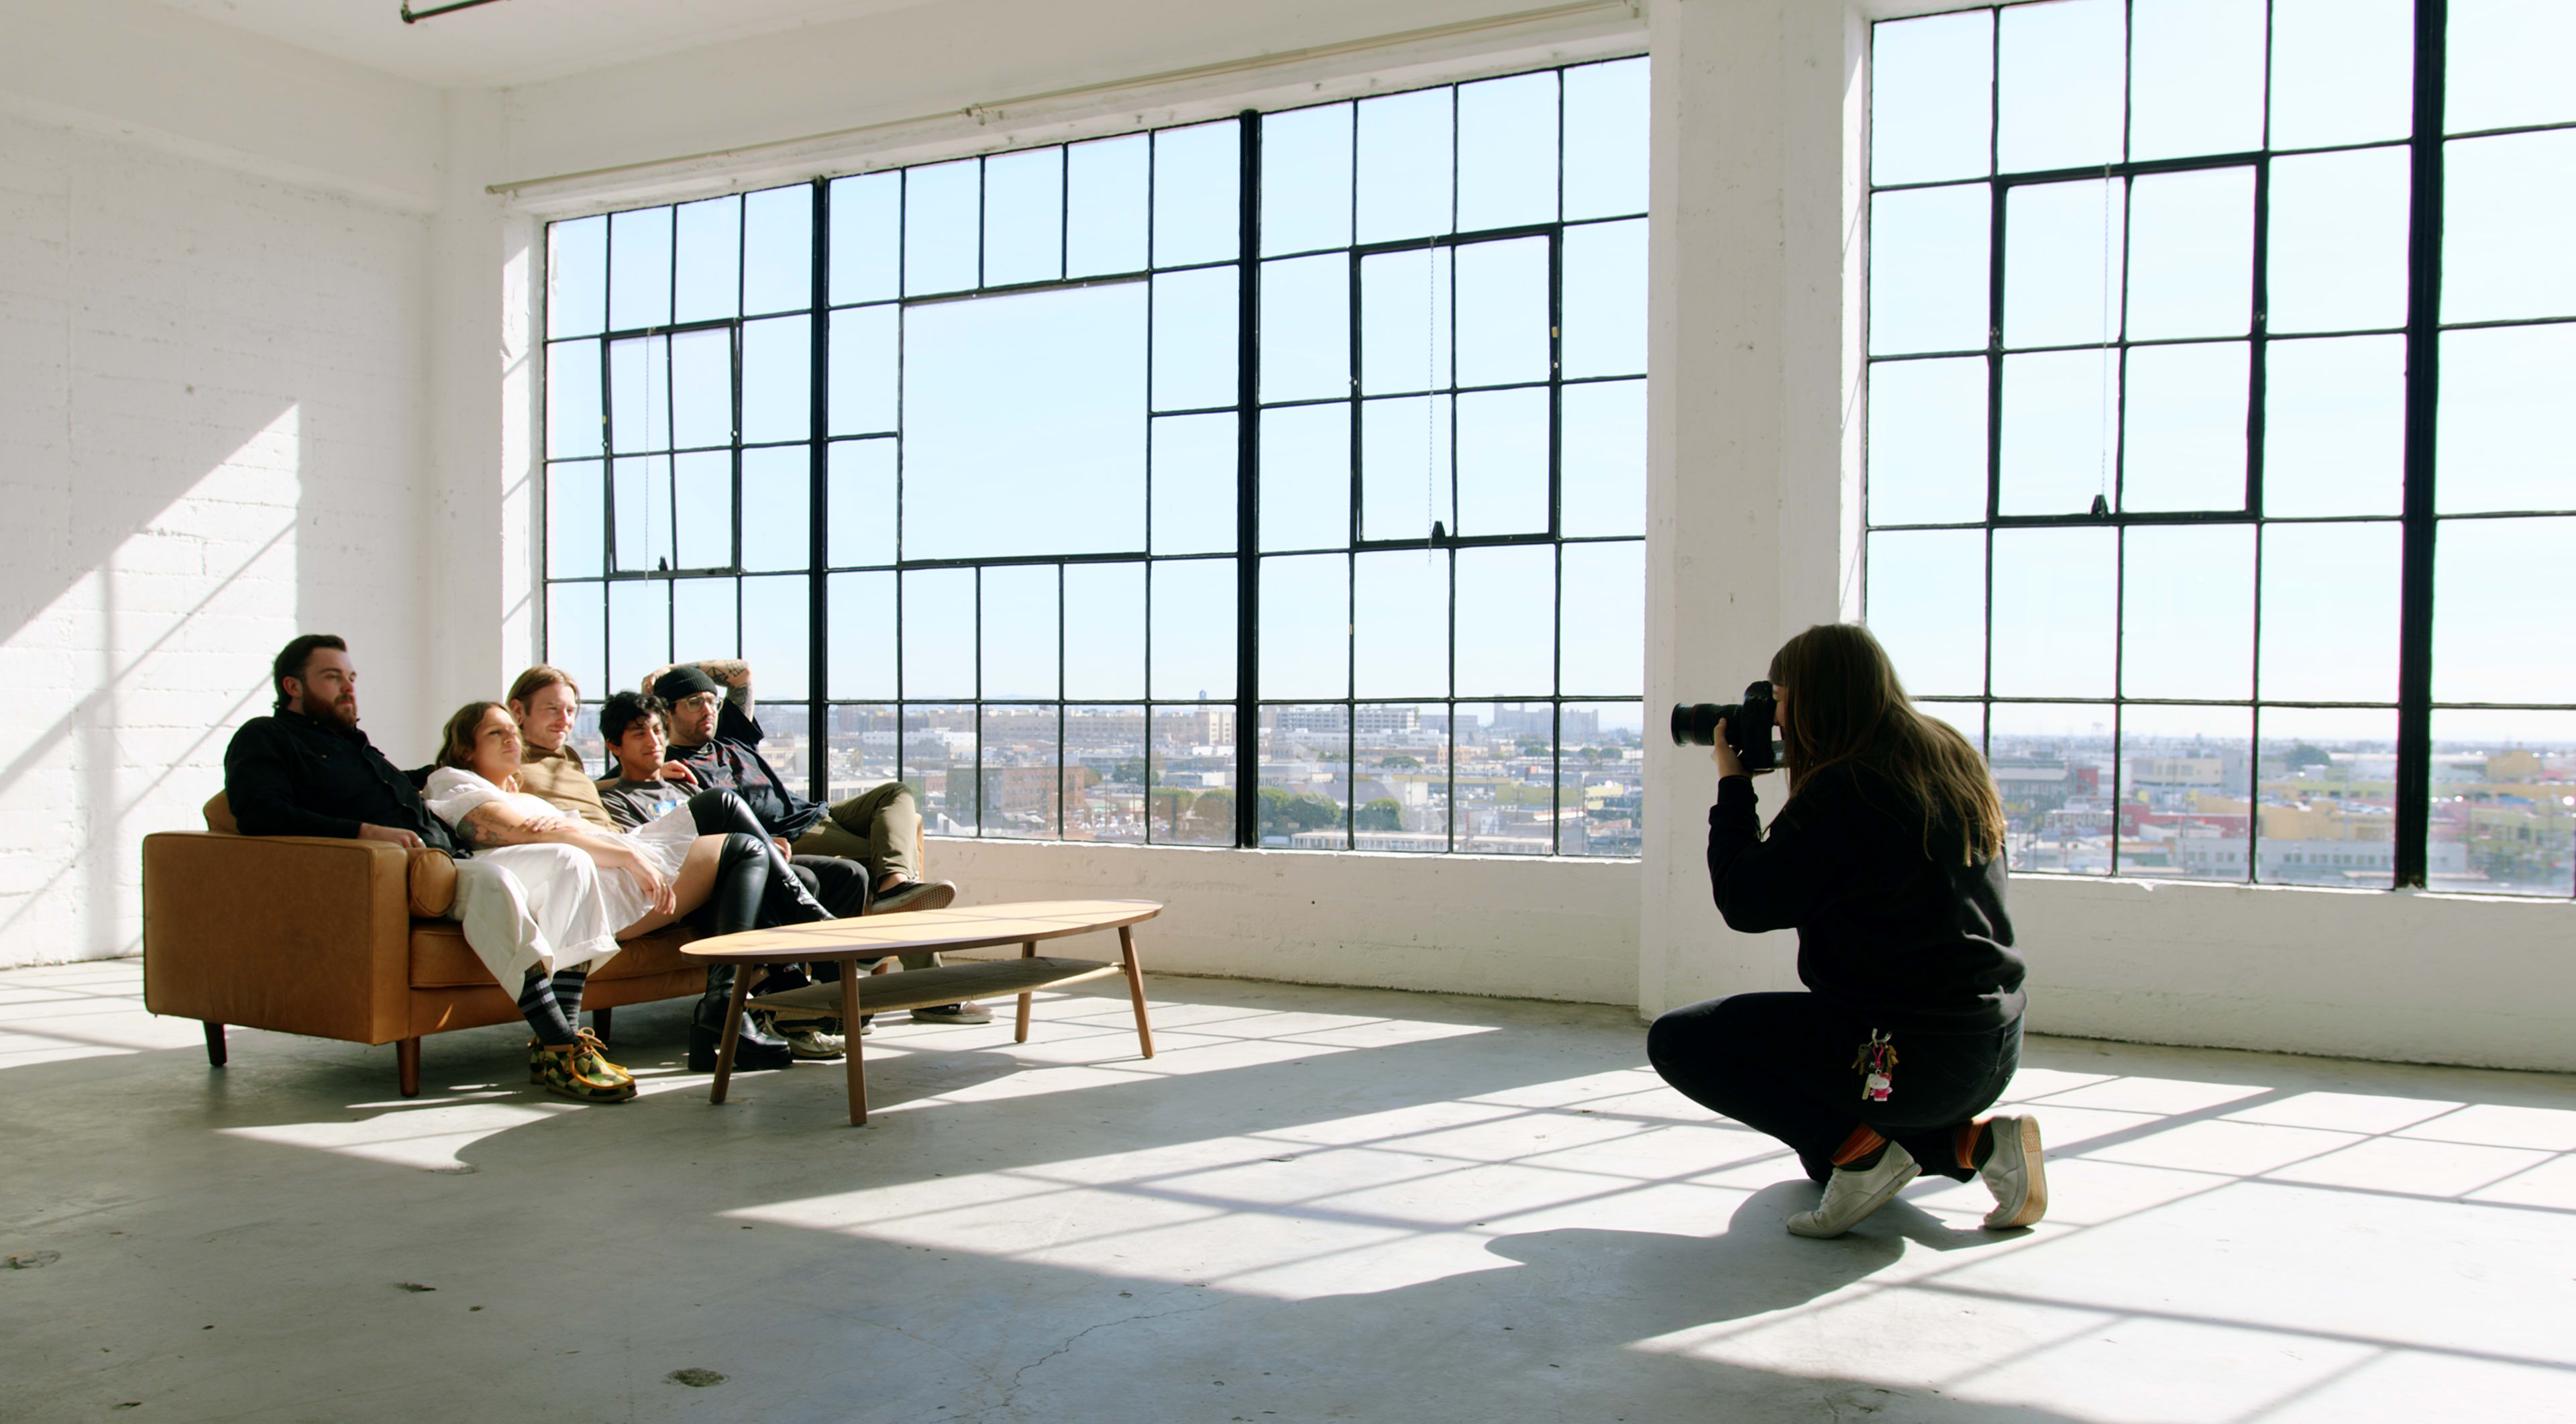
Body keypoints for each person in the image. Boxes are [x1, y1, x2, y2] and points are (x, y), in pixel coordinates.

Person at [1645, 624, 2046, 1239]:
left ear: (1814, 698)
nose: (1772, 714)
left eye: (1778, 697)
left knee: (1682, 1041)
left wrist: (1733, 783)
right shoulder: (1946, 753)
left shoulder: (1848, 785)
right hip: (1987, 1043)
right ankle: (1976, 1145)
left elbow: (1746, 904)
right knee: (1821, 1154)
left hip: (1905, 1052)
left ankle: (1877, 1158)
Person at [225, 636, 631, 1102]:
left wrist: (491, 785)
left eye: (351, 678)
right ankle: (562, 1046)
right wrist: (363, 832)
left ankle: (556, 1041)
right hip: (400, 872)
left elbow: (420, 780)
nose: (348, 688)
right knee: (494, 881)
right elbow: (258, 813)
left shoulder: (354, 747)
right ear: (292, 685)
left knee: (571, 860)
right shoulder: (265, 737)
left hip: (451, 857)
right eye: (332, 677)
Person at [423, 701, 835, 1088]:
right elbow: (520, 832)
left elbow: (543, 827)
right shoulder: (451, 782)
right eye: (497, 733)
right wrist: (627, 857)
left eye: (513, 731)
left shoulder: (516, 793)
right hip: (601, 876)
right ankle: (794, 944)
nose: (513, 739)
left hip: (609, 860)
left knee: (727, 815)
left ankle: (738, 994)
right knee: (737, 838)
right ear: (465, 748)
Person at [643, 658, 987, 1025]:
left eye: (711, 700)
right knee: (881, 864)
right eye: (694, 703)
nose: (708, 710)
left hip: (817, 814)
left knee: (896, 794)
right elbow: (638, 794)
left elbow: (741, 673)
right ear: (667, 712)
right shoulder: (668, 764)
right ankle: (928, 988)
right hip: (787, 838)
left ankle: (893, 886)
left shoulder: (729, 734)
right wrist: (652, 710)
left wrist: (673, 668)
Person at [588, 688, 871, 1060]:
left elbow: (731, 825)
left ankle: (826, 995)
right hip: (693, 881)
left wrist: (768, 843)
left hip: (738, 862)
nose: (654, 741)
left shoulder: (683, 781)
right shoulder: (614, 799)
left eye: (658, 731)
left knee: (844, 874)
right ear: (615, 746)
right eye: (640, 734)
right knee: (793, 883)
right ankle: (792, 1000)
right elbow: (653, 852)